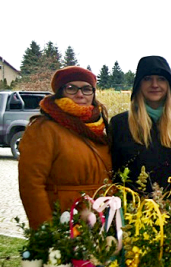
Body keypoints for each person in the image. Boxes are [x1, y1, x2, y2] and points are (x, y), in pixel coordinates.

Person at [18, 66, 111, 229]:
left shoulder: (100, 128)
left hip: (102, 220)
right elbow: (31, 185)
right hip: (65, 221)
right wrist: (45, 230)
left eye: (86, 89)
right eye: (71, 88)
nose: (80, 94)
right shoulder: (43, 129)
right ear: (60, 92)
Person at [109, 56, 171, 200]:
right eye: (147, 78)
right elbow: (112, 173)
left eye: (161, 79)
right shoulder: (120, 124)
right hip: (134, 217)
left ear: (169, 85)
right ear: (138, 84)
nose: (154, 84)